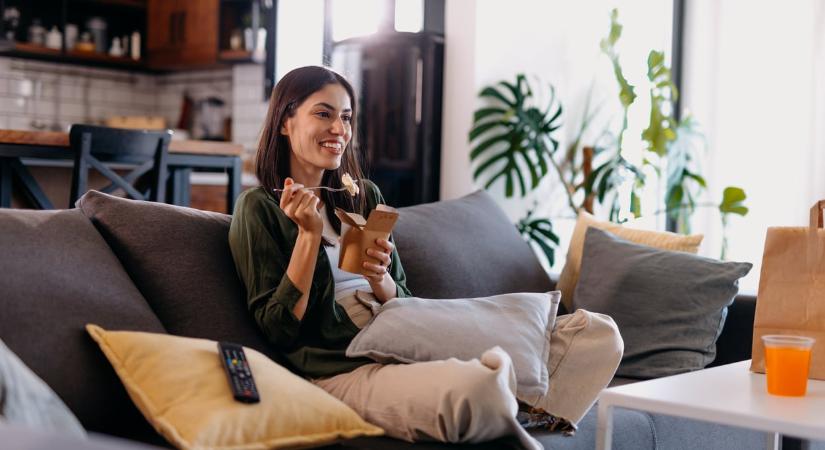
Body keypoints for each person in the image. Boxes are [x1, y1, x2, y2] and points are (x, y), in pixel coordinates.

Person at [228, 66, 622, 447]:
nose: (339, 129)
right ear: (284, 121)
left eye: (346, 117)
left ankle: (517, 399)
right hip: (341, 364)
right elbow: (278, 330)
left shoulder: (362, 195)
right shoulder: (260, 208)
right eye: (323, 114)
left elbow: (401, 296)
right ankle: (506, 393)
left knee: (599, 336)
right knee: (476, 387)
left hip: (403, 330)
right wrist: (308, 237)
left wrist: (379, 278)